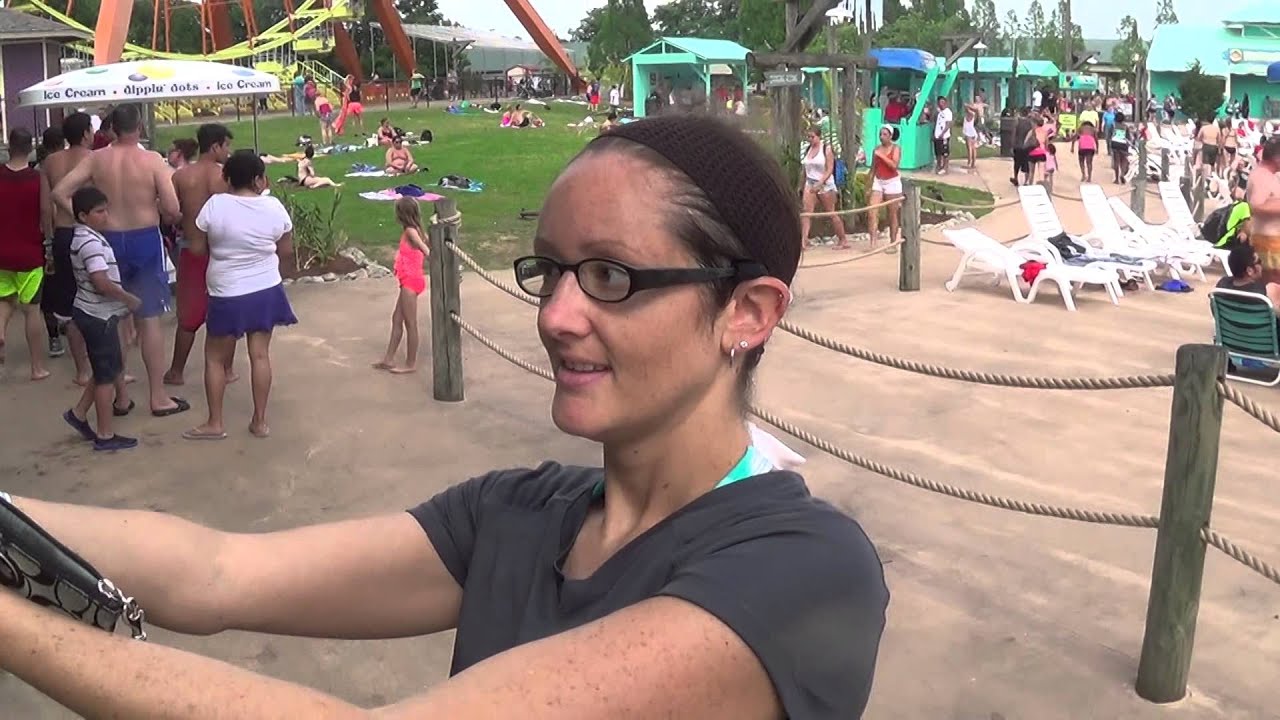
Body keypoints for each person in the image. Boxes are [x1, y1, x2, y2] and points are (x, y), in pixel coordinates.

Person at [0, 115, 887, 718]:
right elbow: (219, 573)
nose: (555, 314)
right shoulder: (519, 512)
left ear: (750, 312)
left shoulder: (804, 570)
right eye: (551, 270)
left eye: (612, 276)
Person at [52, 103, 187, 417]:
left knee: (112, 318)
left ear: (112, 129)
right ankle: (158, 396)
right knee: (149, 318)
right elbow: (172, 208)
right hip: (143, 239)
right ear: (139, 127)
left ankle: (121, 395)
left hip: (108, 239)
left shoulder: (96, 159)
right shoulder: (151, 160)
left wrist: (84, 219)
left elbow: (60, 192)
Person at [183, 151, 296, 441]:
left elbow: (196, 248)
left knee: (214, 359)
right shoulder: (273, 206)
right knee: (260, 355)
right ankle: (259, 422)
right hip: (266, 288)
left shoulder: (215, 206)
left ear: (226, 178)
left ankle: (215, 422)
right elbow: (285, 251)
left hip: (227, 291)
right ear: (259, 179)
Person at [62, 187, 140, 451]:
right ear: (83, 215)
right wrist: (127, 297)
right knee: (107, 375)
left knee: (105, 367)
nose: (105, 216)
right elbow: (100, 281)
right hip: (98, 315)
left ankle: (80, 412)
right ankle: (105, 434)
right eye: (99, 211)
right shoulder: (91, 243)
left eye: (106, 210)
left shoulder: (84, 237)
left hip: (92, 312)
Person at [165, 123, 237, 387]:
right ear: (216, 146)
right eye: (226, 146)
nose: (228, 151)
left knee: (188, 316)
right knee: (227, 312)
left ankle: (176, 371)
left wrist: (187, 217)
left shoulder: (182, 176)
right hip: (222, 253)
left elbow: (169, 213)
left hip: (192, 249)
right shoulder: (226, 177)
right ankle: (226, 370)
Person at [39, 112, 96, 385]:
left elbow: (44, 207)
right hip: (89, 232)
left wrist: (48, 241)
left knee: (71, 304)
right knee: (97, 299)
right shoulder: (93, 159)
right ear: (86, 133)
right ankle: (102, 366)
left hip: (62, 233)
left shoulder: (50, 161)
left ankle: (82, 370)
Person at [0, 128, 51, 381]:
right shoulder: (37, 178)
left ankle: (0, 331)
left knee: (4, 301)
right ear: (30, 147)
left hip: (1, 252)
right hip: (30, 251)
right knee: (32, 310)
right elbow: (45, 211)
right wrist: (49, 241)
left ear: (9, 146)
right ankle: (36, 367)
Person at [373, 197, 429, 374]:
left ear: (402, 214)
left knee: (410, 324)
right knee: (396, 319)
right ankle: (388, 359)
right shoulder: (415, 230)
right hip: (406, 281)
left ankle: (410, 363)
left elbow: (426, 250)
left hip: (411, 283)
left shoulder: (412, 232)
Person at [798, 126, 849, 250]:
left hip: (825, 183)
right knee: (806, 212)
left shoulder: (826, 149)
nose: (810, 139)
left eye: (812, 137)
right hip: (810, 182)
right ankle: (804, 241)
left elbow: (829, 168)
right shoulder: (808, 149)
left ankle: (843, 239)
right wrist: (801, 184)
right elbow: (805, 169)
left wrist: (820, 183)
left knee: (831, 212)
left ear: (818, 136)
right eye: (808, 137)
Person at [1247, 136, 1280, 284]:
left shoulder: (1268, 175)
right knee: (1273, 287)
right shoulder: (1262, 176)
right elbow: (1257, 206)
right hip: (1268, 245)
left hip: (1271, 243)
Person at [867, 125, 903, 253]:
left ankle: (893, 243)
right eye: (880, 134)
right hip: (878, 181)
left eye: (885, 135)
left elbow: (894, 165)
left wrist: (882, 156)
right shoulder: (876, 149)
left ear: (890, 136)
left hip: (892, 182)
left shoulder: (896, 148)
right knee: (872, 211)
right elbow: (873, 168)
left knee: (892, 214)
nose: (882, 137)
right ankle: (872, 243)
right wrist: (868, 185)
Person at [1011, 107, 1034, 187]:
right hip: (1027, 147)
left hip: (1017, 146)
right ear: (1027, 113)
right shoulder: (1030, 123)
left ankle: (1016, 178)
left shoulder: (1017, 122)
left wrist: (1012, 144)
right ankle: (1026, 181)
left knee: (1016, 163)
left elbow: (1014, 134)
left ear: (1021, 113)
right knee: (1027, 164)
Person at [1109, 111, 1132, 185]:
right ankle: (1122, 174)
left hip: (1115, 144)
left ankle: (1116, 179)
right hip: (1123, 144)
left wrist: (1109, 144)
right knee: (1124, 160)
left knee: (1116, 161)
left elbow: (1109, 135)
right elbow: (1128, 137)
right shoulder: (1125, 126)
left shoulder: (1113, 125)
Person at [933, 96, 952, 174]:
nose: (942, 104)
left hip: (944, 136)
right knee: (938, 152)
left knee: (945, 152)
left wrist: (942, 133)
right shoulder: (940, 112)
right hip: (937, 135)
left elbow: (948, 124)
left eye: (943, 102)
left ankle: (945, 167)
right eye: (940, 102)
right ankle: (939, 165)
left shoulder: (948, 112)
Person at [961, 104, 978, 170]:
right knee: (973, 148)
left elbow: (967, 108)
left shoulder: (970, 115)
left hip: (969, 133)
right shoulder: (972, 115)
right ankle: (973, 163)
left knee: (969, 149)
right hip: (973, 133)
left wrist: (968, 106)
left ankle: (969, 163)